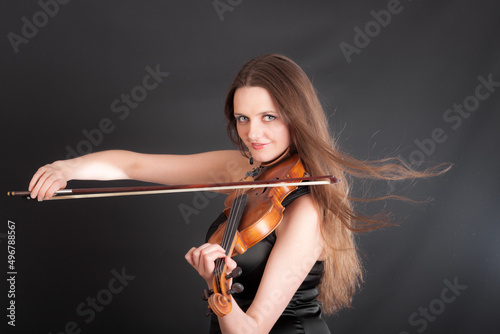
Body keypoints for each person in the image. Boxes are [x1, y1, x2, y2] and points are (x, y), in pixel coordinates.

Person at [28, 54, 448, 333]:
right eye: (242, 118)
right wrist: (67, 168)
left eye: (269, 117)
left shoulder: (306, 209)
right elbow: (133, 166)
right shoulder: (246, 168)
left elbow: (256, 329)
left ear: (296, 117)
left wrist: (218, 291)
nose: (253, 133)